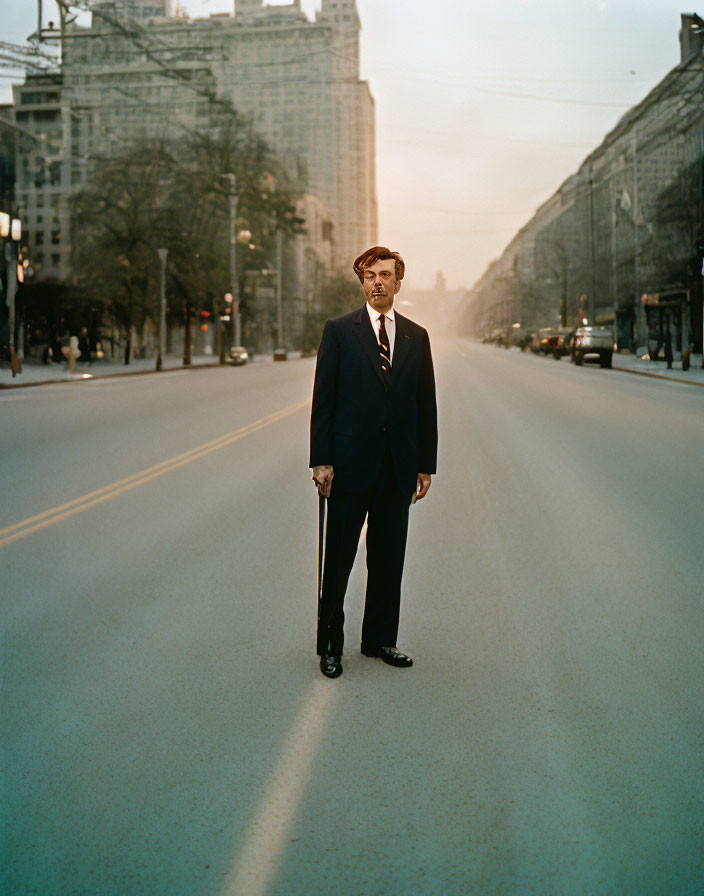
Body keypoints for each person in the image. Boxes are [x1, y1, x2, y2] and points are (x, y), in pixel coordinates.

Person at [310, 246, 438, 679]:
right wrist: (322, 459)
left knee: (388, 559)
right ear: (362, 283)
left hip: (397, 468)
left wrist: (425, 464)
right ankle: (330, 645)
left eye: (385, 274)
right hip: (348, 466)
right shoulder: (340, 331)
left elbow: (425, 404)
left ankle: (380, 639)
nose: (377, 282)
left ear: (398, 283)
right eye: (369, 276)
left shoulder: (416, 336)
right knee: (339, 559)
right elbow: (323, 400)